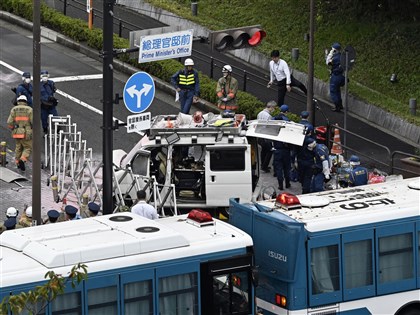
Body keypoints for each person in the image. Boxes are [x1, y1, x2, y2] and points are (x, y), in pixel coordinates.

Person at [7, 95, 33, 171]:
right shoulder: (29, 109)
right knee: (27, 147)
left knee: (18, 147)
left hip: (17, 131)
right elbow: (33, 121)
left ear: (18, 101)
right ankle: (23, 159)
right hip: (26, 131)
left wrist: (13, 128)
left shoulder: (14, 109)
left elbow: (9, 122)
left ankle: (17, 162)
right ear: (26, 101)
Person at [257, 100, 276, 172]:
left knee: (263, 150)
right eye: (273, 108)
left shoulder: (260, 113)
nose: (273, 110)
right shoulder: (268, 116)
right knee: (269, 151)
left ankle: (262, 164)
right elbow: (269, 127)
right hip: (266, 136)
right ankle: (264, 166)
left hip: (259, 135)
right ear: (271, 107)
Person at [326, 43, 345, 112]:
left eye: (332, 49)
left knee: (333, 92)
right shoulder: (342, 57)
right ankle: (340, 105)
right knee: (338, 91)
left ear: (335, 50)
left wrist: (330, 54)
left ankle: (337, 106)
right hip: (341, 76)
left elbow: (327, 62)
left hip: (335, 76)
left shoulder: (335, 58)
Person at [40, 70, 58, 134]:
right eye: (43, 76)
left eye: (46, 76)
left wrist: (53, 99)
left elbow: (54, 91)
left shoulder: (51, 83)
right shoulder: (38, 85)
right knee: (44, 119)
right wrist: (47, 98)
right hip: (43, 105)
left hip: (51, 105)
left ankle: (58, 130)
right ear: (41, 77)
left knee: (56, 117)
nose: (45, 77)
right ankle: (45, 130)